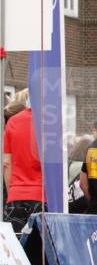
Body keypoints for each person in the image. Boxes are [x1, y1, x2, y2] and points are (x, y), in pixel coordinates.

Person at [3, 88, 44, 236]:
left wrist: (12, 193)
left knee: (15, 253)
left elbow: (7, 163)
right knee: (41, 254)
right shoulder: (51, 122)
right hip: (43, 196)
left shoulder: (13, 121)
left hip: (17, 195)